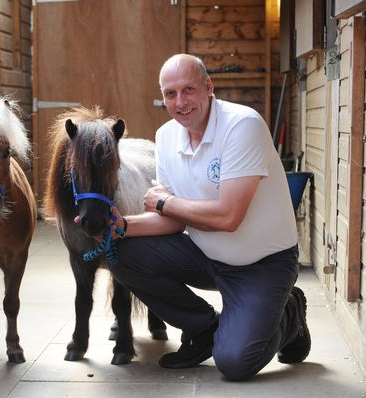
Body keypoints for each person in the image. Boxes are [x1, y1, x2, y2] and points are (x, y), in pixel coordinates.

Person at [109, 54, 310, 381]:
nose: (180, 101)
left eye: (188, 89)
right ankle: (202, 328)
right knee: (122, 252)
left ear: (208, 87)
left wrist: (164, 203)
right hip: (207, 255)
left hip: (263, 263)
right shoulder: (165, 137)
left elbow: (229, 216)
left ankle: (289, 311)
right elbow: (173, 220)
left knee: (235, 363)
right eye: (170, 94)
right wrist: (121, 226)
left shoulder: (242, 125)